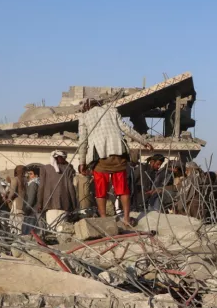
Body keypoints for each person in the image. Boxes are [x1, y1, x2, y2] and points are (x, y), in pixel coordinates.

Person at [76, 98, 151, 227]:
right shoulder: (112, 111)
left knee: (101, 190)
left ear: (86, 107)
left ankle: (104, 219)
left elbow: (83, 140)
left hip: (99, 157)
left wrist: (82, 162)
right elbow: (127, 129)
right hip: (118, 153)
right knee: (122, 189)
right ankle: (127, 218)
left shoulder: (84, 117)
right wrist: (144, 142)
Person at [38, 150, 77, 230]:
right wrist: (74, 204)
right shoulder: (68, 169)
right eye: (64, 158)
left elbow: (41, 187)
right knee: (62, 229)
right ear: (59, 158)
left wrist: (39, 203)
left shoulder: (45, 168)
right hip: (64, 205)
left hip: (49, 205)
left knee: (51, 229)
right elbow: (71, 188)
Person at [24, 166, 41, 233]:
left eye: (31, 174)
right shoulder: (39, 183)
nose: (29, 176)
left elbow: (31, 199)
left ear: (36, 175)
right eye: (29, 174)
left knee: (29, 230)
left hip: (32, 211)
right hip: (35, 210)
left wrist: (26, 209)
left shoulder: (33, 184)